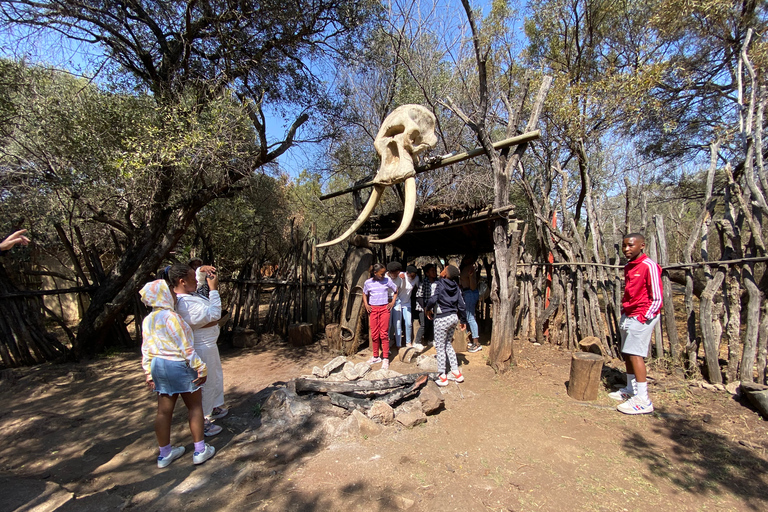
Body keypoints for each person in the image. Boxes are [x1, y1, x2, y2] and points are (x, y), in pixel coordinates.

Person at [139, 279, 215, 467]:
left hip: (159, 366)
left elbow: (146, 349)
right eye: (171, 293)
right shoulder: (173, 318)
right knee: (195, 407)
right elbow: (186, 348)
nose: (174, 295)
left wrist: (148, 372)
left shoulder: (148, 320)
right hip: (179, 365)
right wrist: (201, 367)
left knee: (164, 412)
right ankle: (199, 450)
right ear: (163, 295)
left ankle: (164, 454)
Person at [168, 264, 228, 436]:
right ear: (182, 282)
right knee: (206, 383)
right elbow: (214, 314)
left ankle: (214, 406)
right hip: (201, 347)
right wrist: (214, 290)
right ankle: (203, 420)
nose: (197, 281)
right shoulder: (183, 304)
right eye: (193, 279)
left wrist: (201, 270)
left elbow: (210, 317)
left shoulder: (189, 294)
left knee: (215, 377)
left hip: (209, 344)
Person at [610, 232, 663, 415]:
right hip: (630, 313)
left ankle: (643, 400)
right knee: (627, 353)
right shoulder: (629, 266)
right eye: (624, 245)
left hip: (642, 315)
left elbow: (656, 297)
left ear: (642, 245)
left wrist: (643, 317)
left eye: (631, 245)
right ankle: (631, 389)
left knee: (635, 354)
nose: (626, 249)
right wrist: (625, 312)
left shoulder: (650, 266)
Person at [426, 265, 467, 387]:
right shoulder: (456, 287)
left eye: (444, 268)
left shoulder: (440, 284)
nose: (442, 269)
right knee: (447, 344)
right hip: (453, 318)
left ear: (444, 274)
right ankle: (456, 372)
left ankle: (442, 376)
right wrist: (463, 320)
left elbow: (434, 299)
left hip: (442, 318)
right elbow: (462, 305)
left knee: (440, 347)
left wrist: (427, 308)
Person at [362, 263, 398, 370]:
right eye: (381, 274)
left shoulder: (387, 280)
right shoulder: (368, 283)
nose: (383, 276)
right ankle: (375, 356)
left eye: (384, 274)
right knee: (374, 333)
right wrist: (366, 304)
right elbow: (364, 293)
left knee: (384, 334)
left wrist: (392, 303)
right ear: (375, 273)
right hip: (373, 309)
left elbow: (395, 291)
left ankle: (385, 358)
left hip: (384, 309)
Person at [460, 254, 481, 353]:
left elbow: (473, 286)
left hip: (470, 292)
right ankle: (471, 339)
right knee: (469, 317)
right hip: (467, 292)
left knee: (470, 317)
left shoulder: (470, 269)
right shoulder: (466, 268)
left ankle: (476, 342)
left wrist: (471, 276)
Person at [414, 263, 438, 348]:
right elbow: (419, 296)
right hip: (423, 307)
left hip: (433, 307)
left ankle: (430, 340)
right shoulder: (424, 283)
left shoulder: (437, 282)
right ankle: (417, 341)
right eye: (432, 271)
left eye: (435, 270)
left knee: (433, 323)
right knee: (424, 324)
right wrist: (425, 308)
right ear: (427, 273)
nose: (434, 272)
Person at [398, 265, 420, 349]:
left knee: (408, 323)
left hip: (407, 303)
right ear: (407, 273)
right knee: (398, 324)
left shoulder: (416, 278)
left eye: (414, 275)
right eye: (412, 275)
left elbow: (418, 289)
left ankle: (408, 342)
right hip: (398, 302)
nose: (413, 277)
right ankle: (398, 342)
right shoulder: (401, 275)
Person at [386, 261, 404, 348]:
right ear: (390, 272)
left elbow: (397, 291)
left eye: (398, 273)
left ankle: (398, 344)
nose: (397, 275)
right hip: (386, 302)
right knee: (388, 324)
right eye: (395, 273)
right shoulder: (384, 278)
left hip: (396, 302)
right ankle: (387, 344)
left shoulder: (399, 279)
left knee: (397, 323)